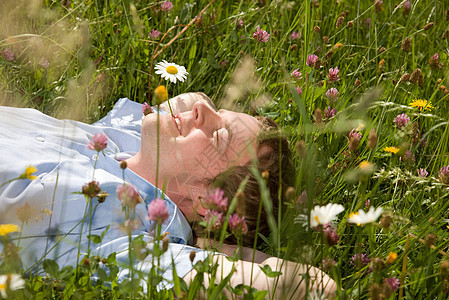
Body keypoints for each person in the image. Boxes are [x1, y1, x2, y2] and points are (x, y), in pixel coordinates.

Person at [0, 92, 337, 298]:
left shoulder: (116, 223)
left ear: (208, 200)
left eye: (217, 134)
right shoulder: (125, 139)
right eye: (218, 109)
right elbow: (192, 98)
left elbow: (313, 287)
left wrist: (204, 244)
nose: (201, 110)